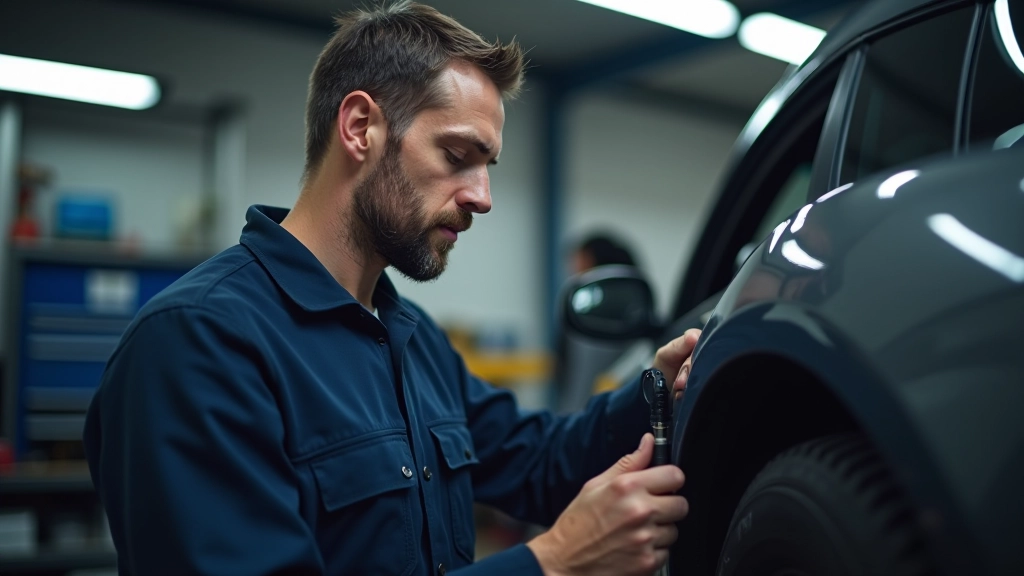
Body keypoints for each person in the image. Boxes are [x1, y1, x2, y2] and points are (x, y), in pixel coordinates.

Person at [83, 3, 702, 575]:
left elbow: (539, 461)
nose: (482, 198)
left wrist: (660, 388)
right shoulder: (198, 344)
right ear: (359, 128)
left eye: (488, 168)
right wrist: (551, 562)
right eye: (458, 154)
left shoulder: (409, 338)